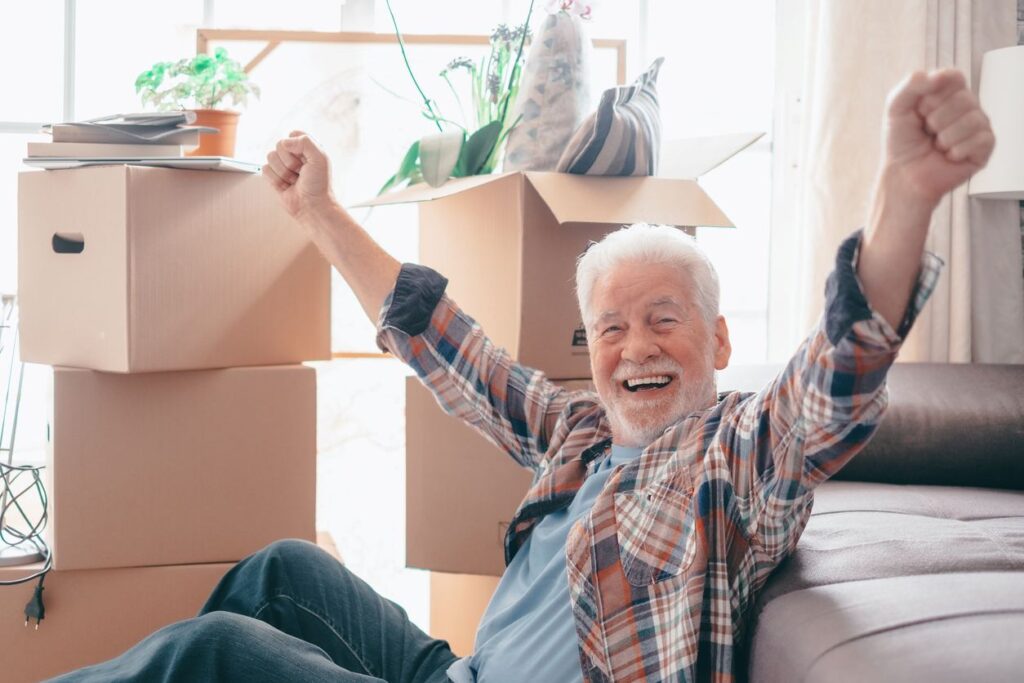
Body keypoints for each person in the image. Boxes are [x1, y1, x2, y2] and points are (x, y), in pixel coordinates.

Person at [52, 67, 992, 683]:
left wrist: (904, 193)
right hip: (454, 670)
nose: (637, 347)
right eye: (612, 328)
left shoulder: (734, 459)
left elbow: (833, 385)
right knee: (282, 571)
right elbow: (449, 348)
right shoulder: (581, 432)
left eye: (664, 320)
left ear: (716, 337)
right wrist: (320, 211)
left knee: (218, 652)